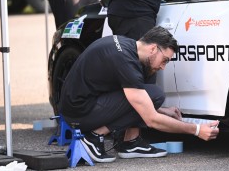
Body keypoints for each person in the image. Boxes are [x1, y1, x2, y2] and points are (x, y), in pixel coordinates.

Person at [59, 26, 219, 163]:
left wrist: (163, 110)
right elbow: (152, 120)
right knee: (153, 94)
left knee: (154, 96)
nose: (163, 67)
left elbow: (128, 95)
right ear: (153, 49)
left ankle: (130, 143)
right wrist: (196, 130)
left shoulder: (127, 46)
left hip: (79, 105)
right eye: (165, 60)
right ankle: (94, 136)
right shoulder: (126, 62)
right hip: (79, 114)